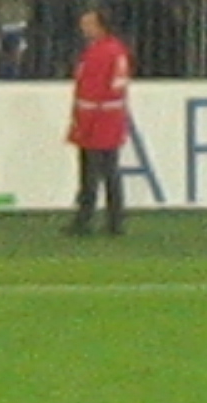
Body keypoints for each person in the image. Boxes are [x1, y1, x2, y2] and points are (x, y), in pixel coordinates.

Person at [66, 6, 131, 237]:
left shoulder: (100, 53)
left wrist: (81, 121)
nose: (83, 28)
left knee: (91, 172)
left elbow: (91, 90)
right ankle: (114, 220)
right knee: (110, 169)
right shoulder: (115, 49)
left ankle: (86, 219)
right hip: (110, 118)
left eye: (88, 24)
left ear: (100, 26)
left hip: (96, 119)